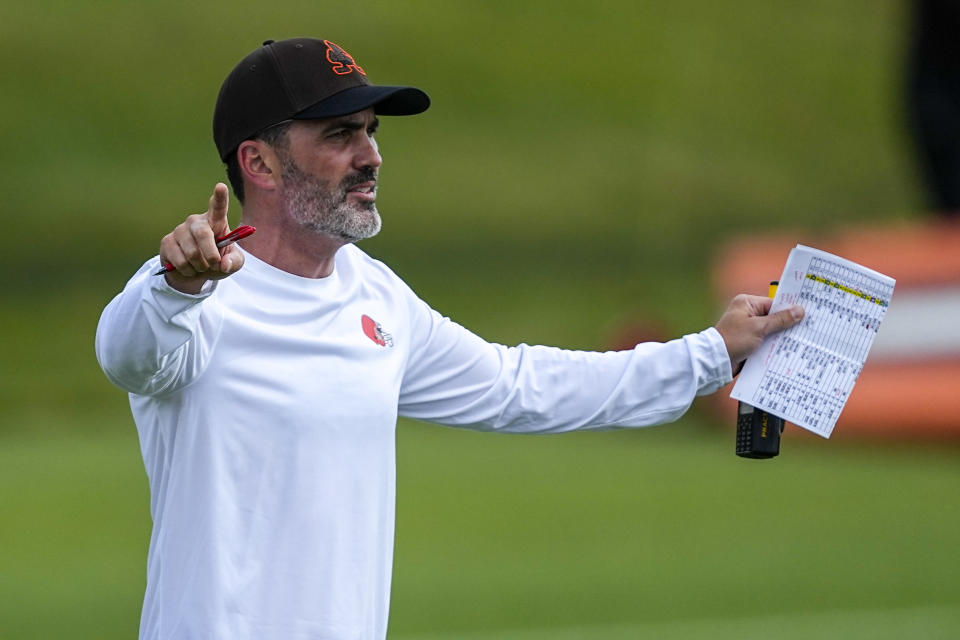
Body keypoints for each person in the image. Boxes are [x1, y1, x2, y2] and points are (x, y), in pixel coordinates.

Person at [95, 37, 803, 640]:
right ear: (260, 163)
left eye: (372, 131)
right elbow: (127, 355)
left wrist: (709, 352)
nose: (371, 155)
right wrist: (176, 284)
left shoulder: (376, 298)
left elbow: (520, 386)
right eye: (341, 135)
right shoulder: (192, 293)